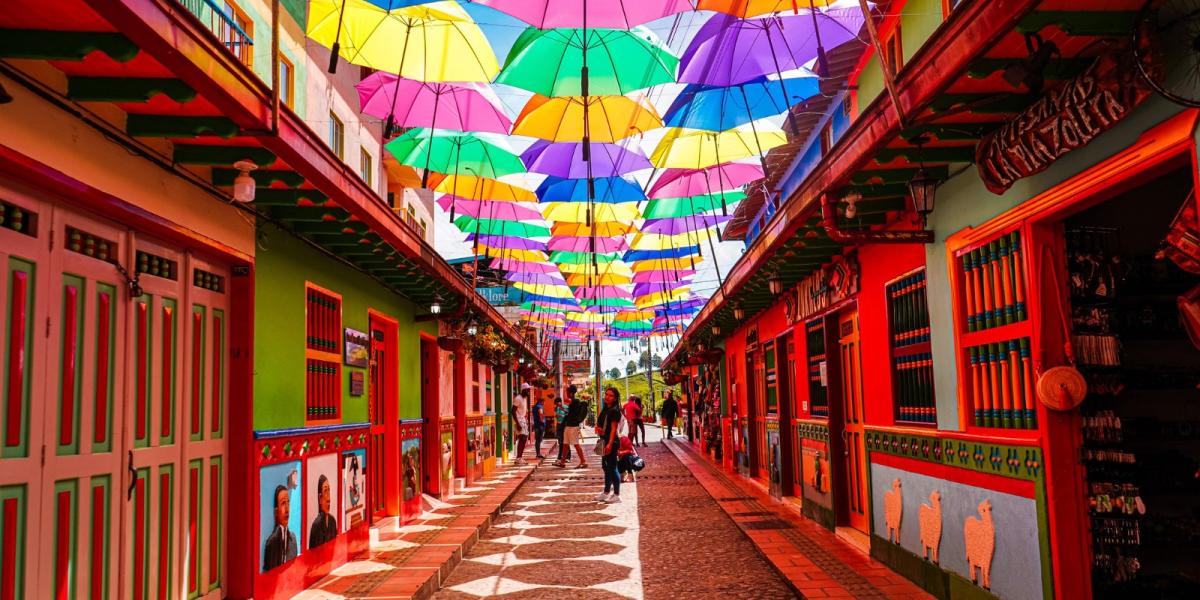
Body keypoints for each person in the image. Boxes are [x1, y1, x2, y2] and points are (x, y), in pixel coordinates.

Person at [595, 386, 623, 503]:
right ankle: (606, 492)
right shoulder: (606, 408)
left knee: (612, 468)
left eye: (611, 395)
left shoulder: (615, 410)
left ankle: (617, 494)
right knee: (606, 467)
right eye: (606, 394)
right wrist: (598, 429)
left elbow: (613, 429)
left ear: (615, 398)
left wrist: (610, 444)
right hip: (604, 440)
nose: (607, 397)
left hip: (611, 441)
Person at [263, 485, 298, 570]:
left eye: (288, 503)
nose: (287, 509)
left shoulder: (292, 539)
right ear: (276, 511)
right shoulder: (272, 542)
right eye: (283, 503)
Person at [561, 384, 588, 468]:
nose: (567, 393)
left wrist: (564, 388)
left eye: (568, 392)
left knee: (576, 444)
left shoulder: (575, 401)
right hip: (568, 425)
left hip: (573, 426)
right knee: (565, 444)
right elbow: (569, 412)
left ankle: (583, 461)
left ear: (571, 393)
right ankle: (562, 462)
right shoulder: (573, 402)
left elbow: (565, 399)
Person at [308, 475, 338, 549]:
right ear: (320, 498)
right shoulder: (316, 525)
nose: (328, 498)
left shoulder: (332, 521)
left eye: (329, 491)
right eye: (325, 491)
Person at [512, 384, 530, 464]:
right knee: (522, 437)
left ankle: (519, 457)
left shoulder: (524, 398)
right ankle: (518, 458)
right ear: (523, 390)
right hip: (519, 421)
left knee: (524, 438)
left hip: (523, 420)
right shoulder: (518, 398)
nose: (528, 391)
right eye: (527, 390)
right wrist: (517, 423)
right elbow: (513, 411)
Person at [552, 396, 572, 467]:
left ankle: (568, 457)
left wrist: (562, 410)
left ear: (560, 402)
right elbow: (556, 416)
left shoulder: (565, 407)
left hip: (564, 425)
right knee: (560, 441)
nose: (557, 405)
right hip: (559, 425)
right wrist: (557, 415)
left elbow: (568, 414)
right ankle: (561, 457)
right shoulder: (557, 408)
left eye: (557, 403)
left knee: (566, 441)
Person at [531, 393, 546, 459]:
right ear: (542, 401)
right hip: (540, 425)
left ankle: (538, 453)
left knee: (537, 440)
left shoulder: (534, 406)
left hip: (536, 424)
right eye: (543, 402)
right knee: (539, 440)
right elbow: (541, 413)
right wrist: (542, 420)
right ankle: (538, 453)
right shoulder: (540, 406)